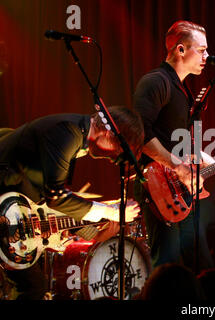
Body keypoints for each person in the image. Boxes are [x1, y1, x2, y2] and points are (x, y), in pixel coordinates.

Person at [133, 20, 215, 272]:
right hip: (156, 185)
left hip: (181, 191)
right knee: (167, 264)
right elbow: (139, 134)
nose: (207, 56)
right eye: (202, 50)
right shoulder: (156, 82)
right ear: (180, 50)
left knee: (200, 264)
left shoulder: (183, 91)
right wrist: (176, 166)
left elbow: (188, 149)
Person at [0, 105, 144, 299]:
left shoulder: (75, 136)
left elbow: (56, 201)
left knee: (34, 286)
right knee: (33, 287)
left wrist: (94, 233)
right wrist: (110, 211)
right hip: (6, 200)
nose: (113, 159)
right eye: (118, 151)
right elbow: (57, 198)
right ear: (108, 133)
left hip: (16, 209)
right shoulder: (67, 132)